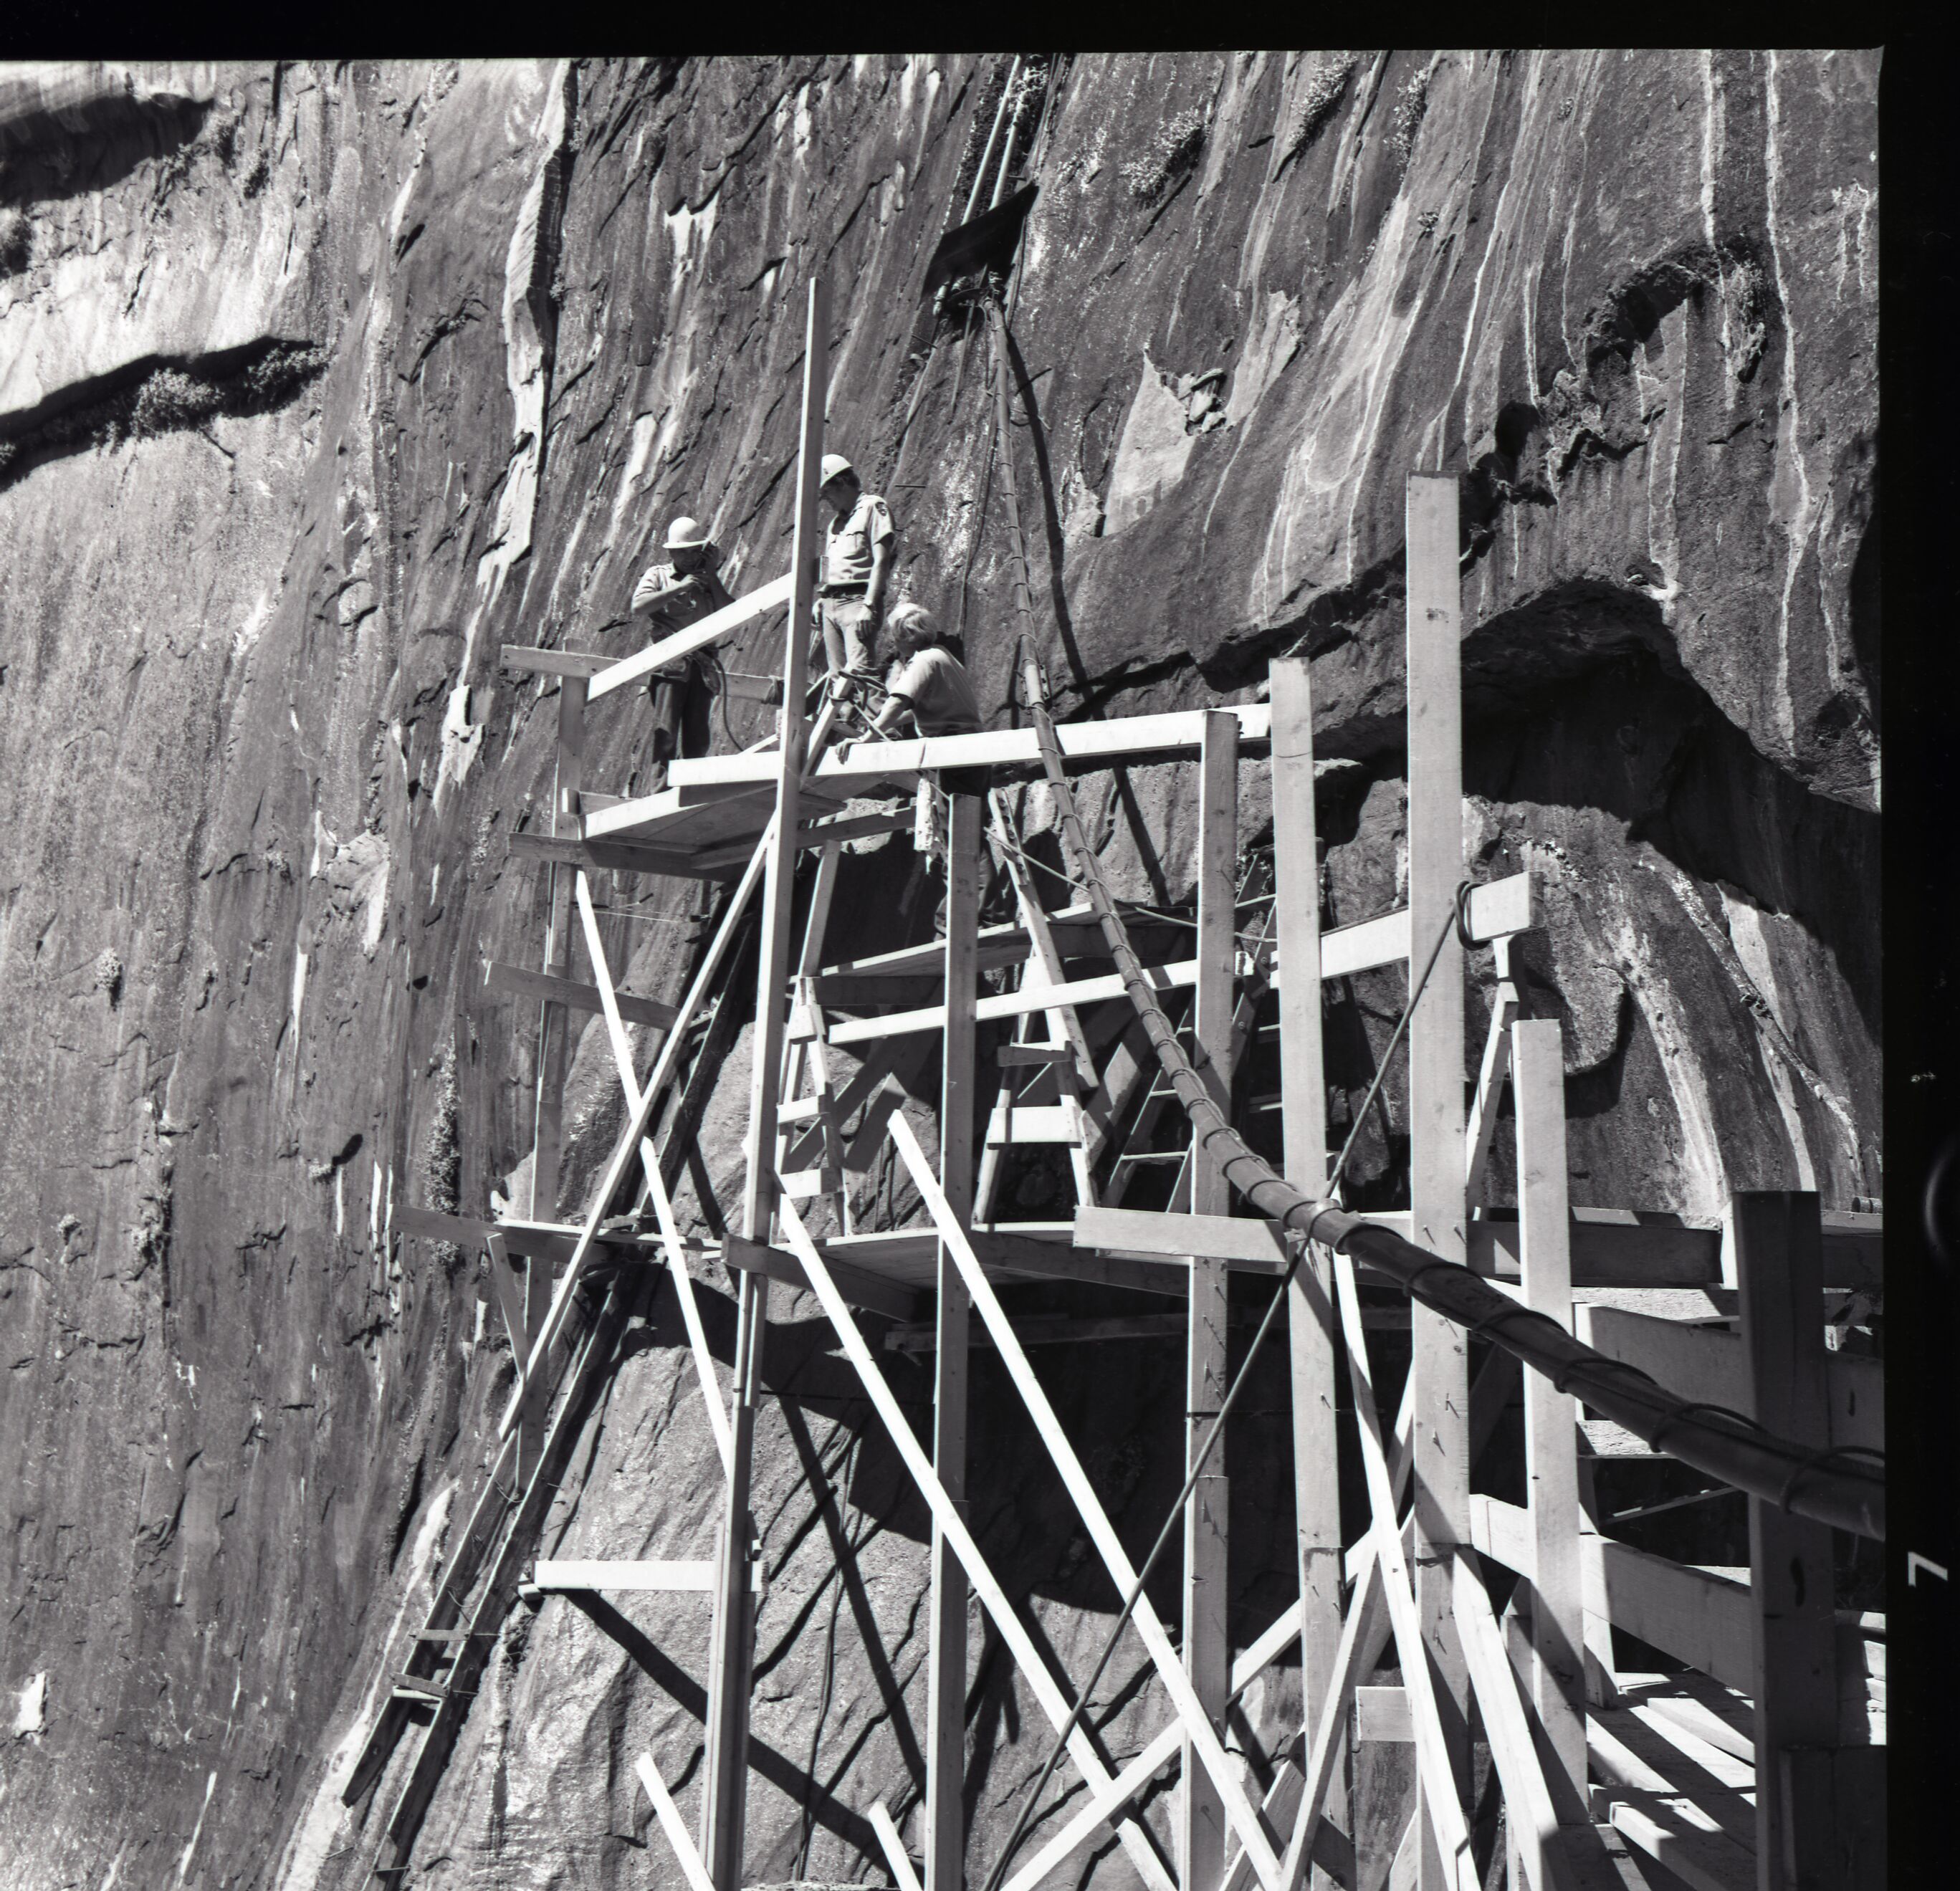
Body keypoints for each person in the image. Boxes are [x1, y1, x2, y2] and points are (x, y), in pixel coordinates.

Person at [630, 515, 732, 789]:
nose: (689, 557)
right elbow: (639, 606)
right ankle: (658, 790)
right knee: (666, 730)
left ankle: (691, 789)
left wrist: (712, 577)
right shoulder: (659, 575)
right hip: (671, 664)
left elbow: (731, 610)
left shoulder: (707, 580)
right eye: (683, 551)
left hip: (703, 665)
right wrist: (681, 586)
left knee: (698, 734)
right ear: (672, 552)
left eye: (694, 550)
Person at [816, 453, 894, 704]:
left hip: (858, 600)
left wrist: (869, 606)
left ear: (842, 482)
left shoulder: (873, 507)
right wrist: (822, 598)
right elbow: (831, 563)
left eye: (827, 492)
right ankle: (849, 735)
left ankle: (885, 738)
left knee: (862, 672)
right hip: (831, 602)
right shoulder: (835, 524)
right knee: (837, 678)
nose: (825, 500)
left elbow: (882, 560)